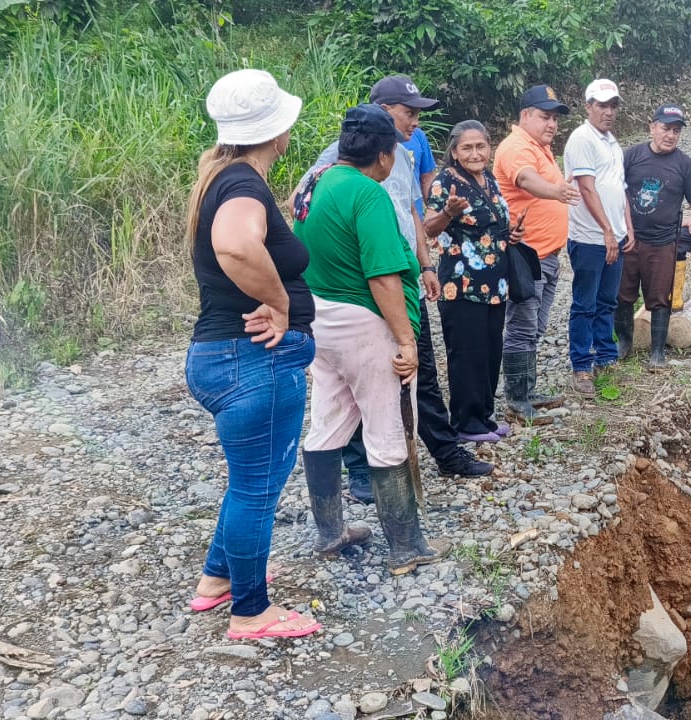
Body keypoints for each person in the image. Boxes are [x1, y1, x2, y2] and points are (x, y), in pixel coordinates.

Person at [297, 75, 494, 500]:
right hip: (366, 293)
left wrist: (425, 264)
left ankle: (445, 452)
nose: (416, 122)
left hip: (402, 279)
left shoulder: (403, 153)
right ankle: (364, 473)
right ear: (383, 113)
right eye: (409, 113)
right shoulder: (340, 163)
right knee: (365, 392)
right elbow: (306, 211)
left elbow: (412, 211)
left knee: (421, 374)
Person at [183, 69, 322, 640]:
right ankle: (251, 612)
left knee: (248, 481)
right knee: (257, 490)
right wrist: (280, 304)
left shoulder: (222, 177)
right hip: (252, 360)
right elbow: (236, 244)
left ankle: (218, 580)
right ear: (277, 130)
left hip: (223, 357)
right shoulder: (242, 185)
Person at [293, 104, 444, 577]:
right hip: (365, 323)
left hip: (321, 318)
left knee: (328, 421)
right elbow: (382, 275)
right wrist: (406, 340)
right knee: (387, 427)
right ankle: (406, 545)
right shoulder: (368, 193)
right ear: (383, 154)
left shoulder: (315, 182)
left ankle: (329, 532)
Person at [423, 120, 523, 440]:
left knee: (490, 351)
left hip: (495, 285)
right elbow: (428, 227)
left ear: (489, 148)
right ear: (454, 152)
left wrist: (511, 233)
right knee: (468, 353)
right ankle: (466, 422)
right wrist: (448, 214)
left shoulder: (488, 179)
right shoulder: (445, 182)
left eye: (481, 146)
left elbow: (491, 224)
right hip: (462, 284)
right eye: (467, 148)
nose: (475, 153)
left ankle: (484, 416)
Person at [494, 84, 581, 420]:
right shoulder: (516, 147)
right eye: (545, 117)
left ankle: (527, 391)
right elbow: (526, 180)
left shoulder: (539, 147)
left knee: (536, 326)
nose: (552, 124)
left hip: (547, 255)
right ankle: (517, 399)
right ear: (525, 115)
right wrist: (556, 192)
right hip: (527, 257)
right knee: (522, 327)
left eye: (555, 119)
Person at [618, 104, 691, 367]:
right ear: (652, 127)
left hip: (664, 242)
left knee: (659, 297)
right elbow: (614, 189)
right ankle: (624, 343)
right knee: (622, 294)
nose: (670, 135)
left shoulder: (684, 164)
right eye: (666, 129)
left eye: (676, 131)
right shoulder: (632, 156)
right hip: (629, 239)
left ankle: (657, 353)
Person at [563, 79, 635, 393]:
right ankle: (581, 366)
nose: (608, 112)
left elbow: (619, 187)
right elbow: (587, 188)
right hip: (590, 237)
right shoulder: (582, 139)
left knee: (607, 300)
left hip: (613, 236)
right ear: (588, 106)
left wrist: (626, 227)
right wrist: (607, 230)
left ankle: (605, 356)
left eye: (613, 105)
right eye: (602, 105)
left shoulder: (611, 141)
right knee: (585, 303)